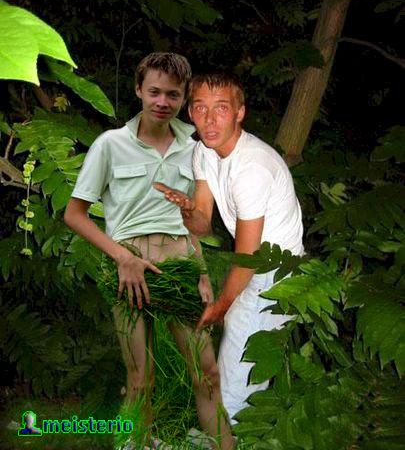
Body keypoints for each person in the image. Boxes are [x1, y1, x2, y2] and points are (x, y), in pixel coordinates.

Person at [64, 55, 234, 450]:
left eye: (173, 94)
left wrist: (202, 272)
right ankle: (136, 443)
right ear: (139, 89)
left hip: (179, 269)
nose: (162, 101)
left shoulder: (195, 148)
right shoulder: (110, 145)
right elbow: (74, 214)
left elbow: (192, 220)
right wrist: (122, 258)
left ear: (184, 97)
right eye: (154, 91)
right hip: (130, 274)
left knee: (207, 372)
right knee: (141, 379)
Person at [154, 73, 304, 424]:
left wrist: (221, 306)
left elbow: (249, 256)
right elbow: (202, 223)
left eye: (221, 108)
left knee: (239, 366)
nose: (209, 119)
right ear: (190, 112)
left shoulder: (252, 168)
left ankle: (227, 434)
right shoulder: (203, 152)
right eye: (200, 108)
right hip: (253, 263)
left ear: (240, 113)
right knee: (236, 358)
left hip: (277, 274)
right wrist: (187, 210)